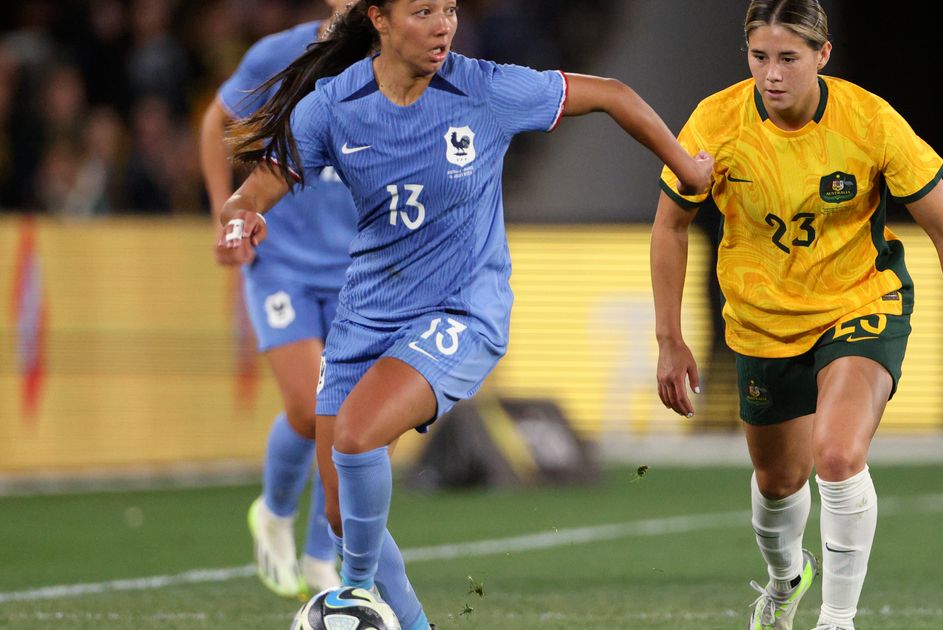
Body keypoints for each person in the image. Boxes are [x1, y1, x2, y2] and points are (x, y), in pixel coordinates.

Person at [217, 1, 713, 627]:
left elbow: (612, 93)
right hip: (365, 318)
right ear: (380, 20)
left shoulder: (484, 89)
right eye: (423, 11)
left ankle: (356, 597)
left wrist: (686, 164)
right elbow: (258, 188)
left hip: (462, 311)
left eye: (449, 8)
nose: (444, 24)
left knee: (356, 435)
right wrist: (241, 218)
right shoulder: (332, 106)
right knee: (343, 513)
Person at [652, 2, 943, 629]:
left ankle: (837, 621)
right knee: (779, 480)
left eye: (788, 58)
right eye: (759, 58)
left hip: (861, 303)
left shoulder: (869, 121)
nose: (772, 75)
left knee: (836, 454)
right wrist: (670, 339)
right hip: (761, 323)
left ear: (823, 55)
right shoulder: (716, 122)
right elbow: (671, 224)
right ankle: (785, 579)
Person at [198, 1, 354, 601]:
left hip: (357, 270)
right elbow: (217, 123)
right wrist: (226, 211)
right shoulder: (277, 54)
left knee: (354, 421)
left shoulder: (395, 65)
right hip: (281, 261)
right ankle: (275, 510)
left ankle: (321, 553)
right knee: (310, 407)